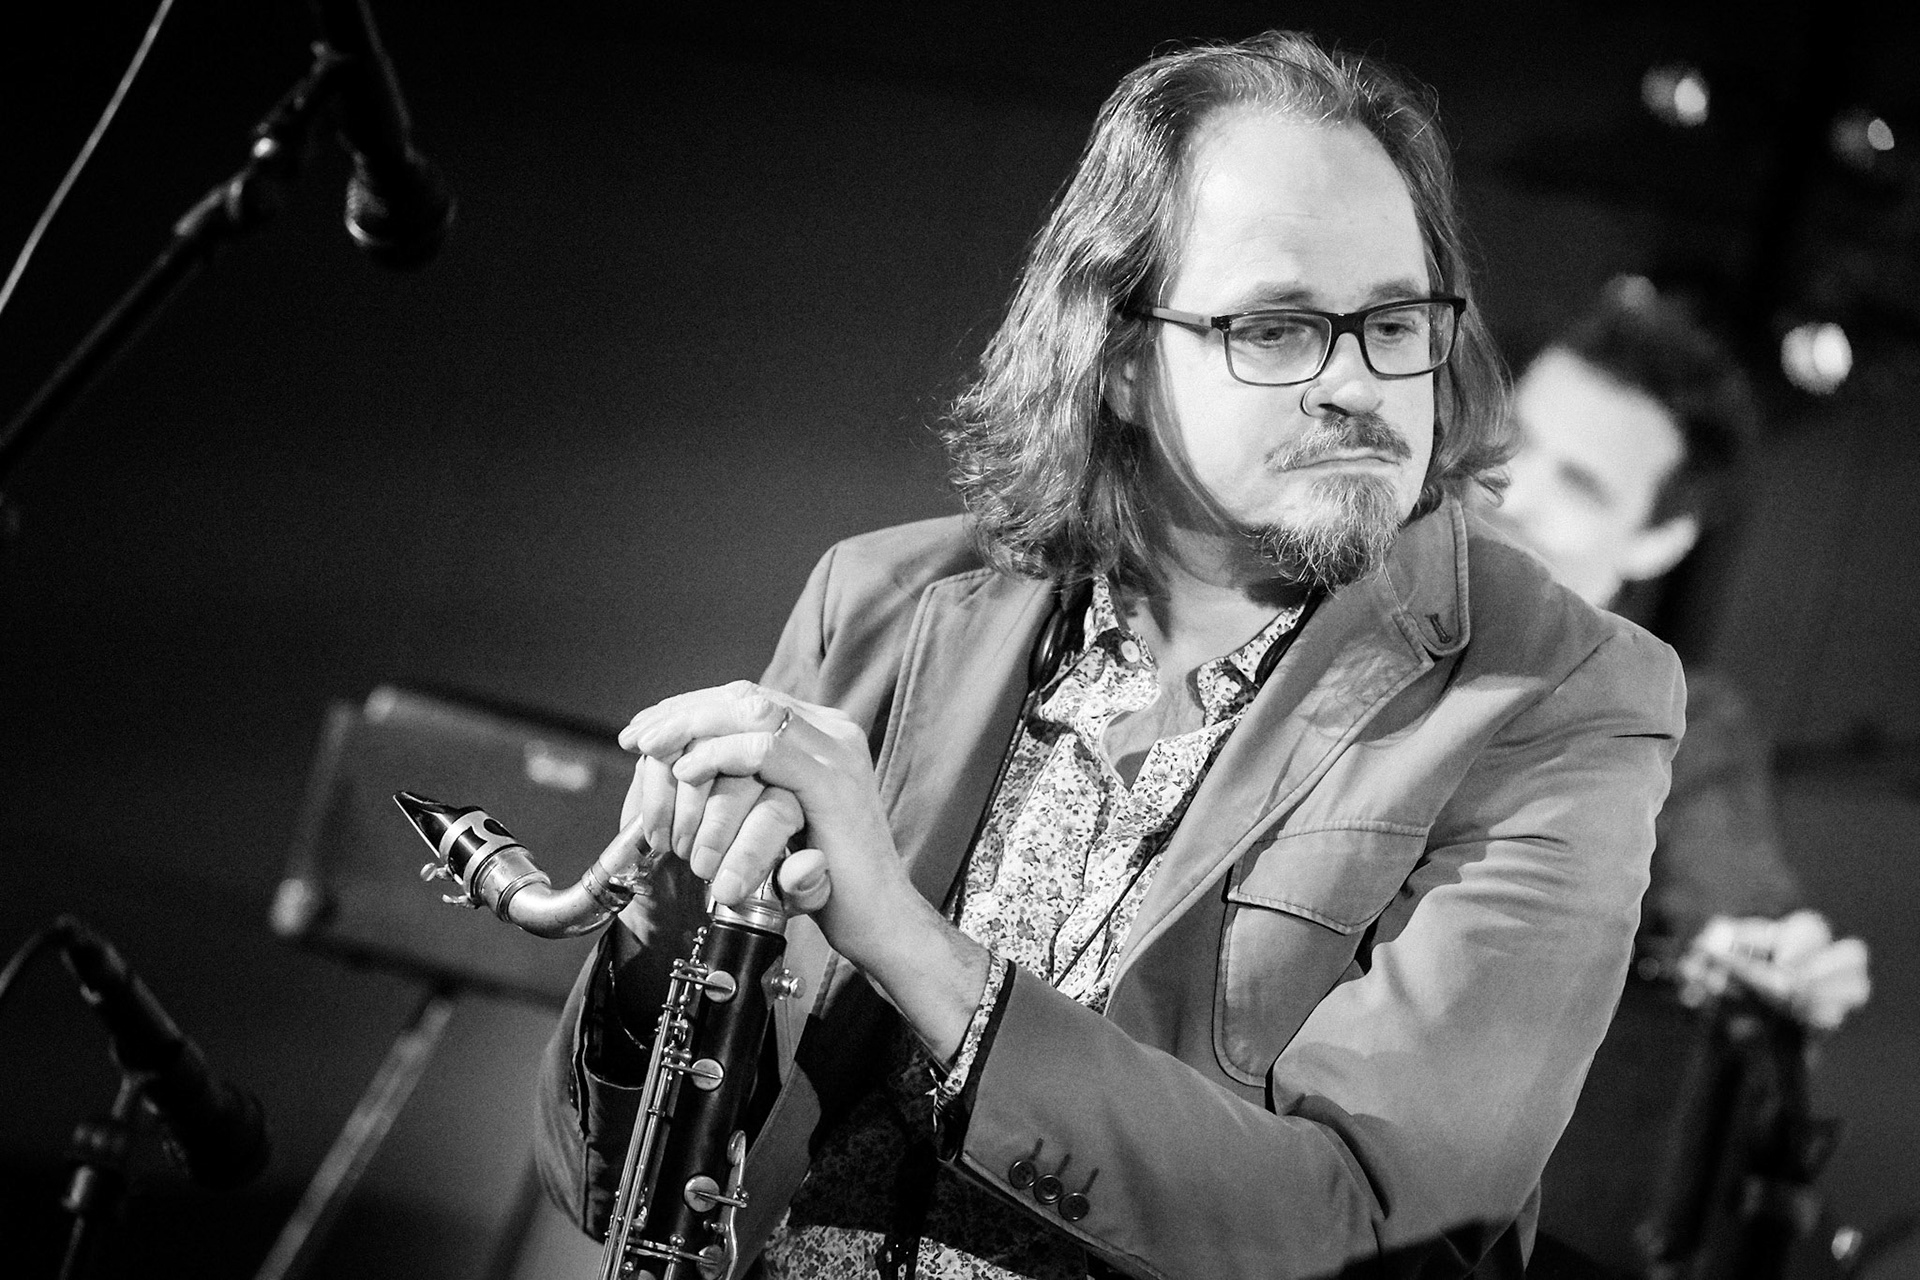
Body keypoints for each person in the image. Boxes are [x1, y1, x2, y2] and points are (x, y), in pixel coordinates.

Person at [536, 32, 1685, 1279]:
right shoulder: (879, 601)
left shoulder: (1558, 694)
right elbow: (599, 1180)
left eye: (1395, 320)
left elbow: (1376, 1226)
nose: (1360, 385)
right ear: (1122, 355)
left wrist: (914, 946)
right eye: (1280, 327)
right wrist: (668, 925)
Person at [1486, 279, 1869, 1032]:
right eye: (1513, 441)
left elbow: (1729, 905)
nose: (1511, 494)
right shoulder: (1339, 582)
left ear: (1660, 541)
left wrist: (1767, 960)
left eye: (1581, 484)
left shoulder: (1679, 724)